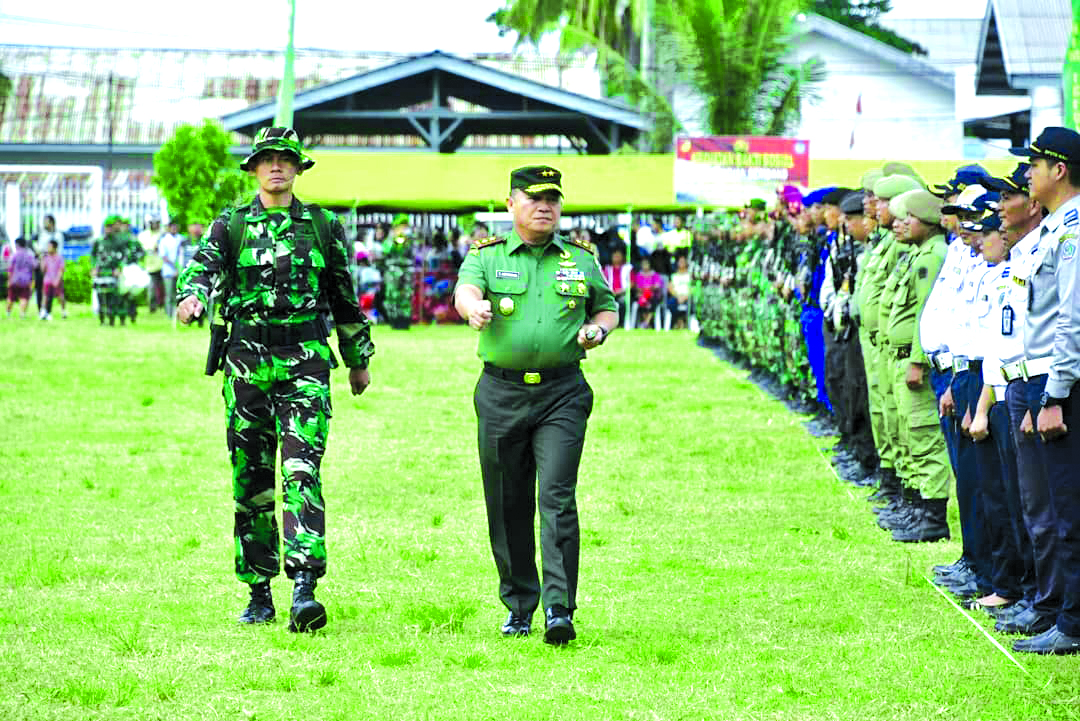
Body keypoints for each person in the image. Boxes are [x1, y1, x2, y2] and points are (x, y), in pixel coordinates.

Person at [176, 126, 375, 633]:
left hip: (305, 359)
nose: (276, 167)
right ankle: (258, 590)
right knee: (251, 477)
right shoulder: (232, 224)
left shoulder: (324, 227)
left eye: (285, 159)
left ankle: (305, 587)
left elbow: (343, 296)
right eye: (266, 159)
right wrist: (192, 297)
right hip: (246, 363)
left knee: (302, 471)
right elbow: (202, 266)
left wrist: (357, 357)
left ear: (299, 167)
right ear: (254, 169)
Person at [453, 164, 617, 645]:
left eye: (553, 198)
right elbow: (465, 290)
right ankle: (520, 605)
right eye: (533, 197)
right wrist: (472, 308)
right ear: (510, 204)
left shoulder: (581, 259)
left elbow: (607, 305)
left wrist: (598, 329)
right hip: (501, 393)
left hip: (562, 393)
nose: (545, 206)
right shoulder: (486, 256)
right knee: (508, 503)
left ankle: (559, 609)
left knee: (557, 499)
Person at [1006, 127, 1080, 654]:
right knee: (1051, 508)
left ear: (1059, 169)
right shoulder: (1053, 229)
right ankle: (1059, 610)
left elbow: (1072, 318)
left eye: (1034, 165)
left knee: (1068, 511)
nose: (1027, 174)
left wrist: (1053, 395)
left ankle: (1073, 623)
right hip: (1041, 381)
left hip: (1061, 385)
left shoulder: (1073, 230)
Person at [34, 215, 64, 316]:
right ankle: (41, 310)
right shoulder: (41, 234)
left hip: (53, 265)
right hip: (43, 262)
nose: (44, 224)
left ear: (52, 222)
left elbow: (60, 251)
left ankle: (48, 310)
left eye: (46, 222)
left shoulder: (58, 235)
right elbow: (37, 247)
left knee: (52, 290)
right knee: (40, 288)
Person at [159, 220, 184, 317]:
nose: (174, 229)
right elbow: (163, 256)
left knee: (179, 294)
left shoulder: (181, 239)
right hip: (168, 271)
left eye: (176, 226)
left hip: (181, 271)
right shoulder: (164, 240)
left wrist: (179, 268)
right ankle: (169, 314)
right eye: (172, 227)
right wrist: (175, 266)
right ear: (169, 228)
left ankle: (179, 313)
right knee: (169, 294)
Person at [142, 215, 166, 313]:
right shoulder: (143, 235)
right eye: (153, 223)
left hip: (163, 265)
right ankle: (152, 307)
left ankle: (164, 307)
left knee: (165, 289)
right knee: (151, 288)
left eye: (156, 223)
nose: (155, 225)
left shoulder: (163, 234)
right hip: (150, 266)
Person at [5, 237, 35, 318]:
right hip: (26, 280)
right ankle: (22, 314)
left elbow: (10, 268)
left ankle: (8, 313)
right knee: (24, 297)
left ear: (17, 244)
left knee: (11, 297)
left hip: (14, 279)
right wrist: (32, 279)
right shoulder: (30, 255)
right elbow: (34, 266)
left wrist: (9, 279)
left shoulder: (14, 255)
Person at [39, 239, 66, 320]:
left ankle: (63, 311)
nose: (48, 248)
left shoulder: (59, 257)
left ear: (54, 248)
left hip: (57, 280)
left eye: (49, 246)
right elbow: (43, 269)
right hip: (47, 280)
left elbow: (61, 269)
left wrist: (57, 280)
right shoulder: (46, 257)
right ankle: (43, 311)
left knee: (60, 296)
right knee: (45, 296)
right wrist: (42, 260)